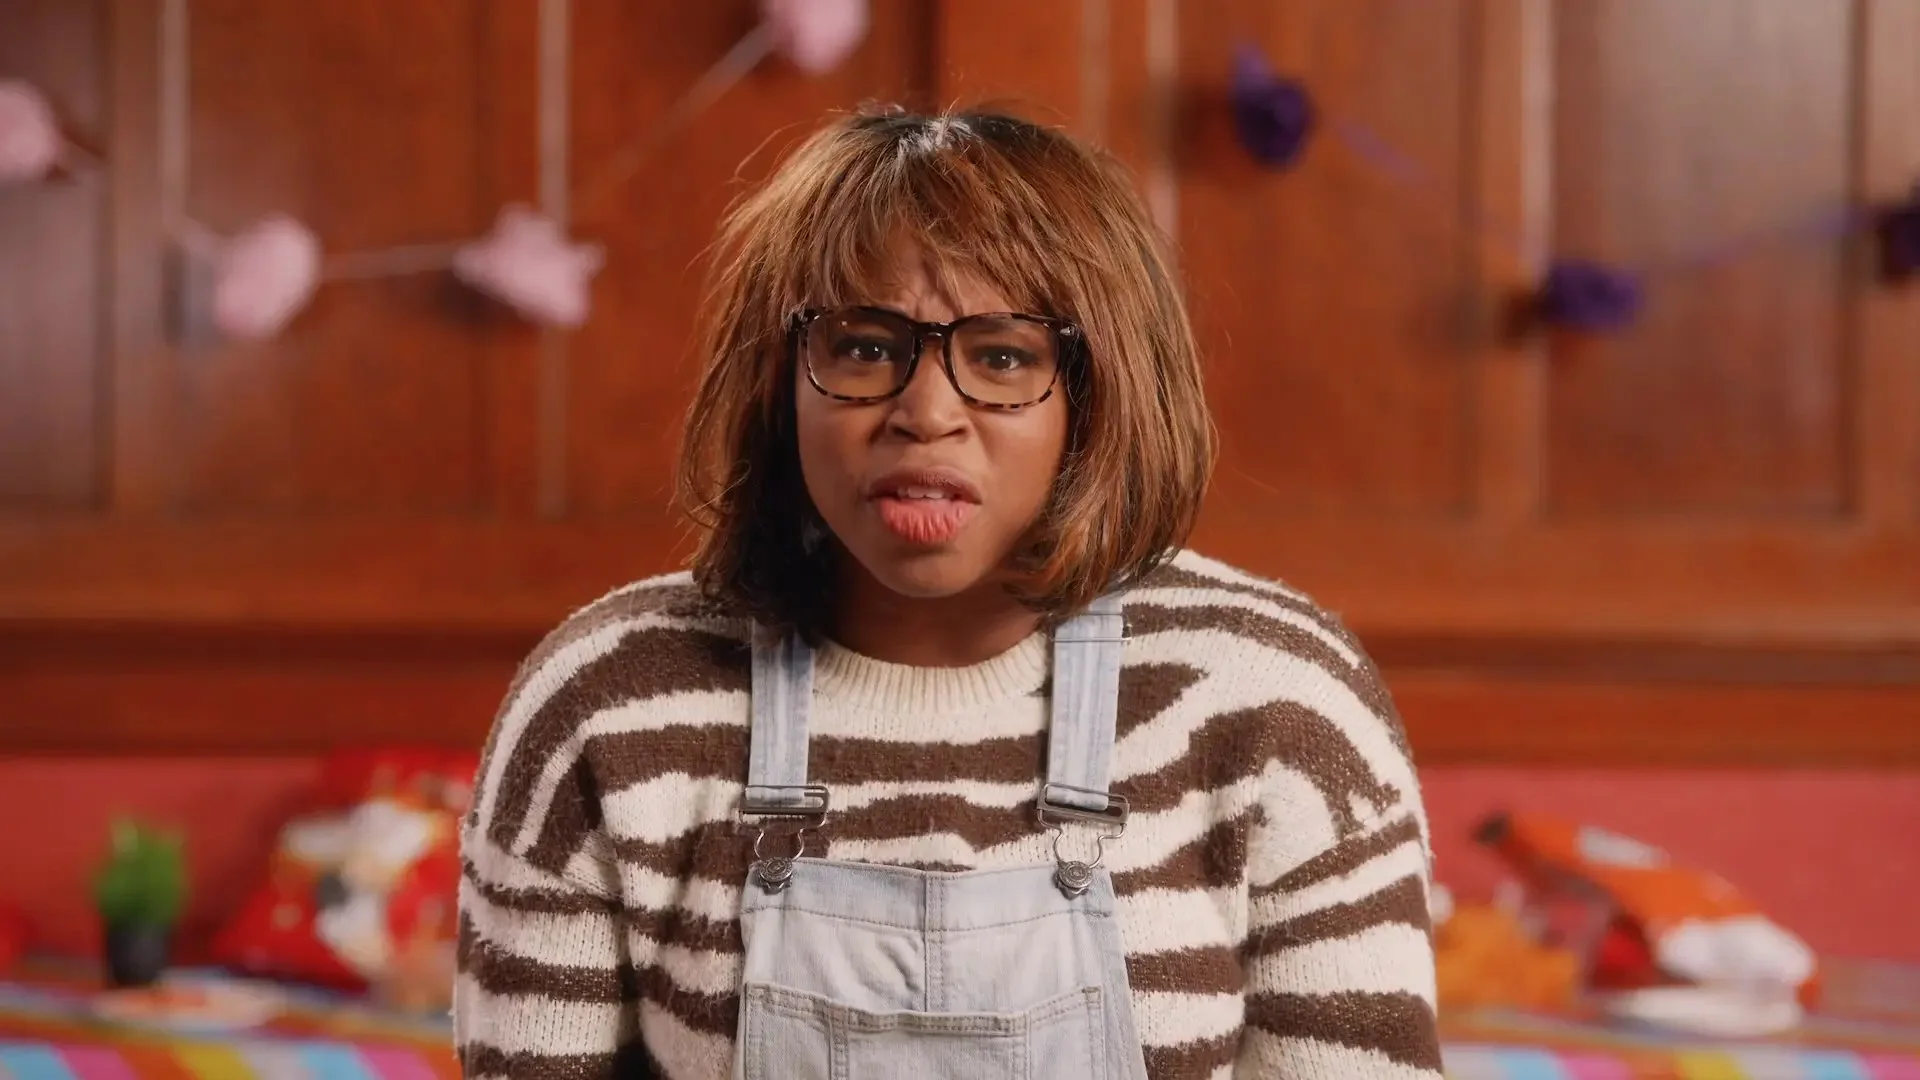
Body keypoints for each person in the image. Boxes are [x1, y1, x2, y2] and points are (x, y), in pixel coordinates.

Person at [456, 105, 1442, 1080]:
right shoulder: (605, 703)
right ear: (779, 382)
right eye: (864, 347)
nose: (926, 413)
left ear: (1098, 396)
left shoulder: (1273, 699)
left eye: (1003, 356)